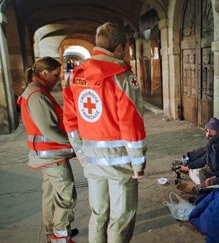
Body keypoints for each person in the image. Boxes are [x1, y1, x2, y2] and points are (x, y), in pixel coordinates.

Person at [62, 22, 146, 243]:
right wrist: (138, 164)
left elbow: (70, 121)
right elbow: (131, 123)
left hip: (91, 162)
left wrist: (81, 154)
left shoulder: (75, 76)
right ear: (119, 48)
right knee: (121, 218)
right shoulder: (122, 77)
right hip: (119, 164)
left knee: (99, 215)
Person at [17, 57, 77, 243]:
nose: (57, 78)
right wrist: (73, 144)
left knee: (50, 196)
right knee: (67, 195)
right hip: (52, 155)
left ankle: (52, 232)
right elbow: (48, 130)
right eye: (55, 74)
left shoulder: (37, 91)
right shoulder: (37, 95)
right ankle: (60, 235)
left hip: (46, 154)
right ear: (44, 74)